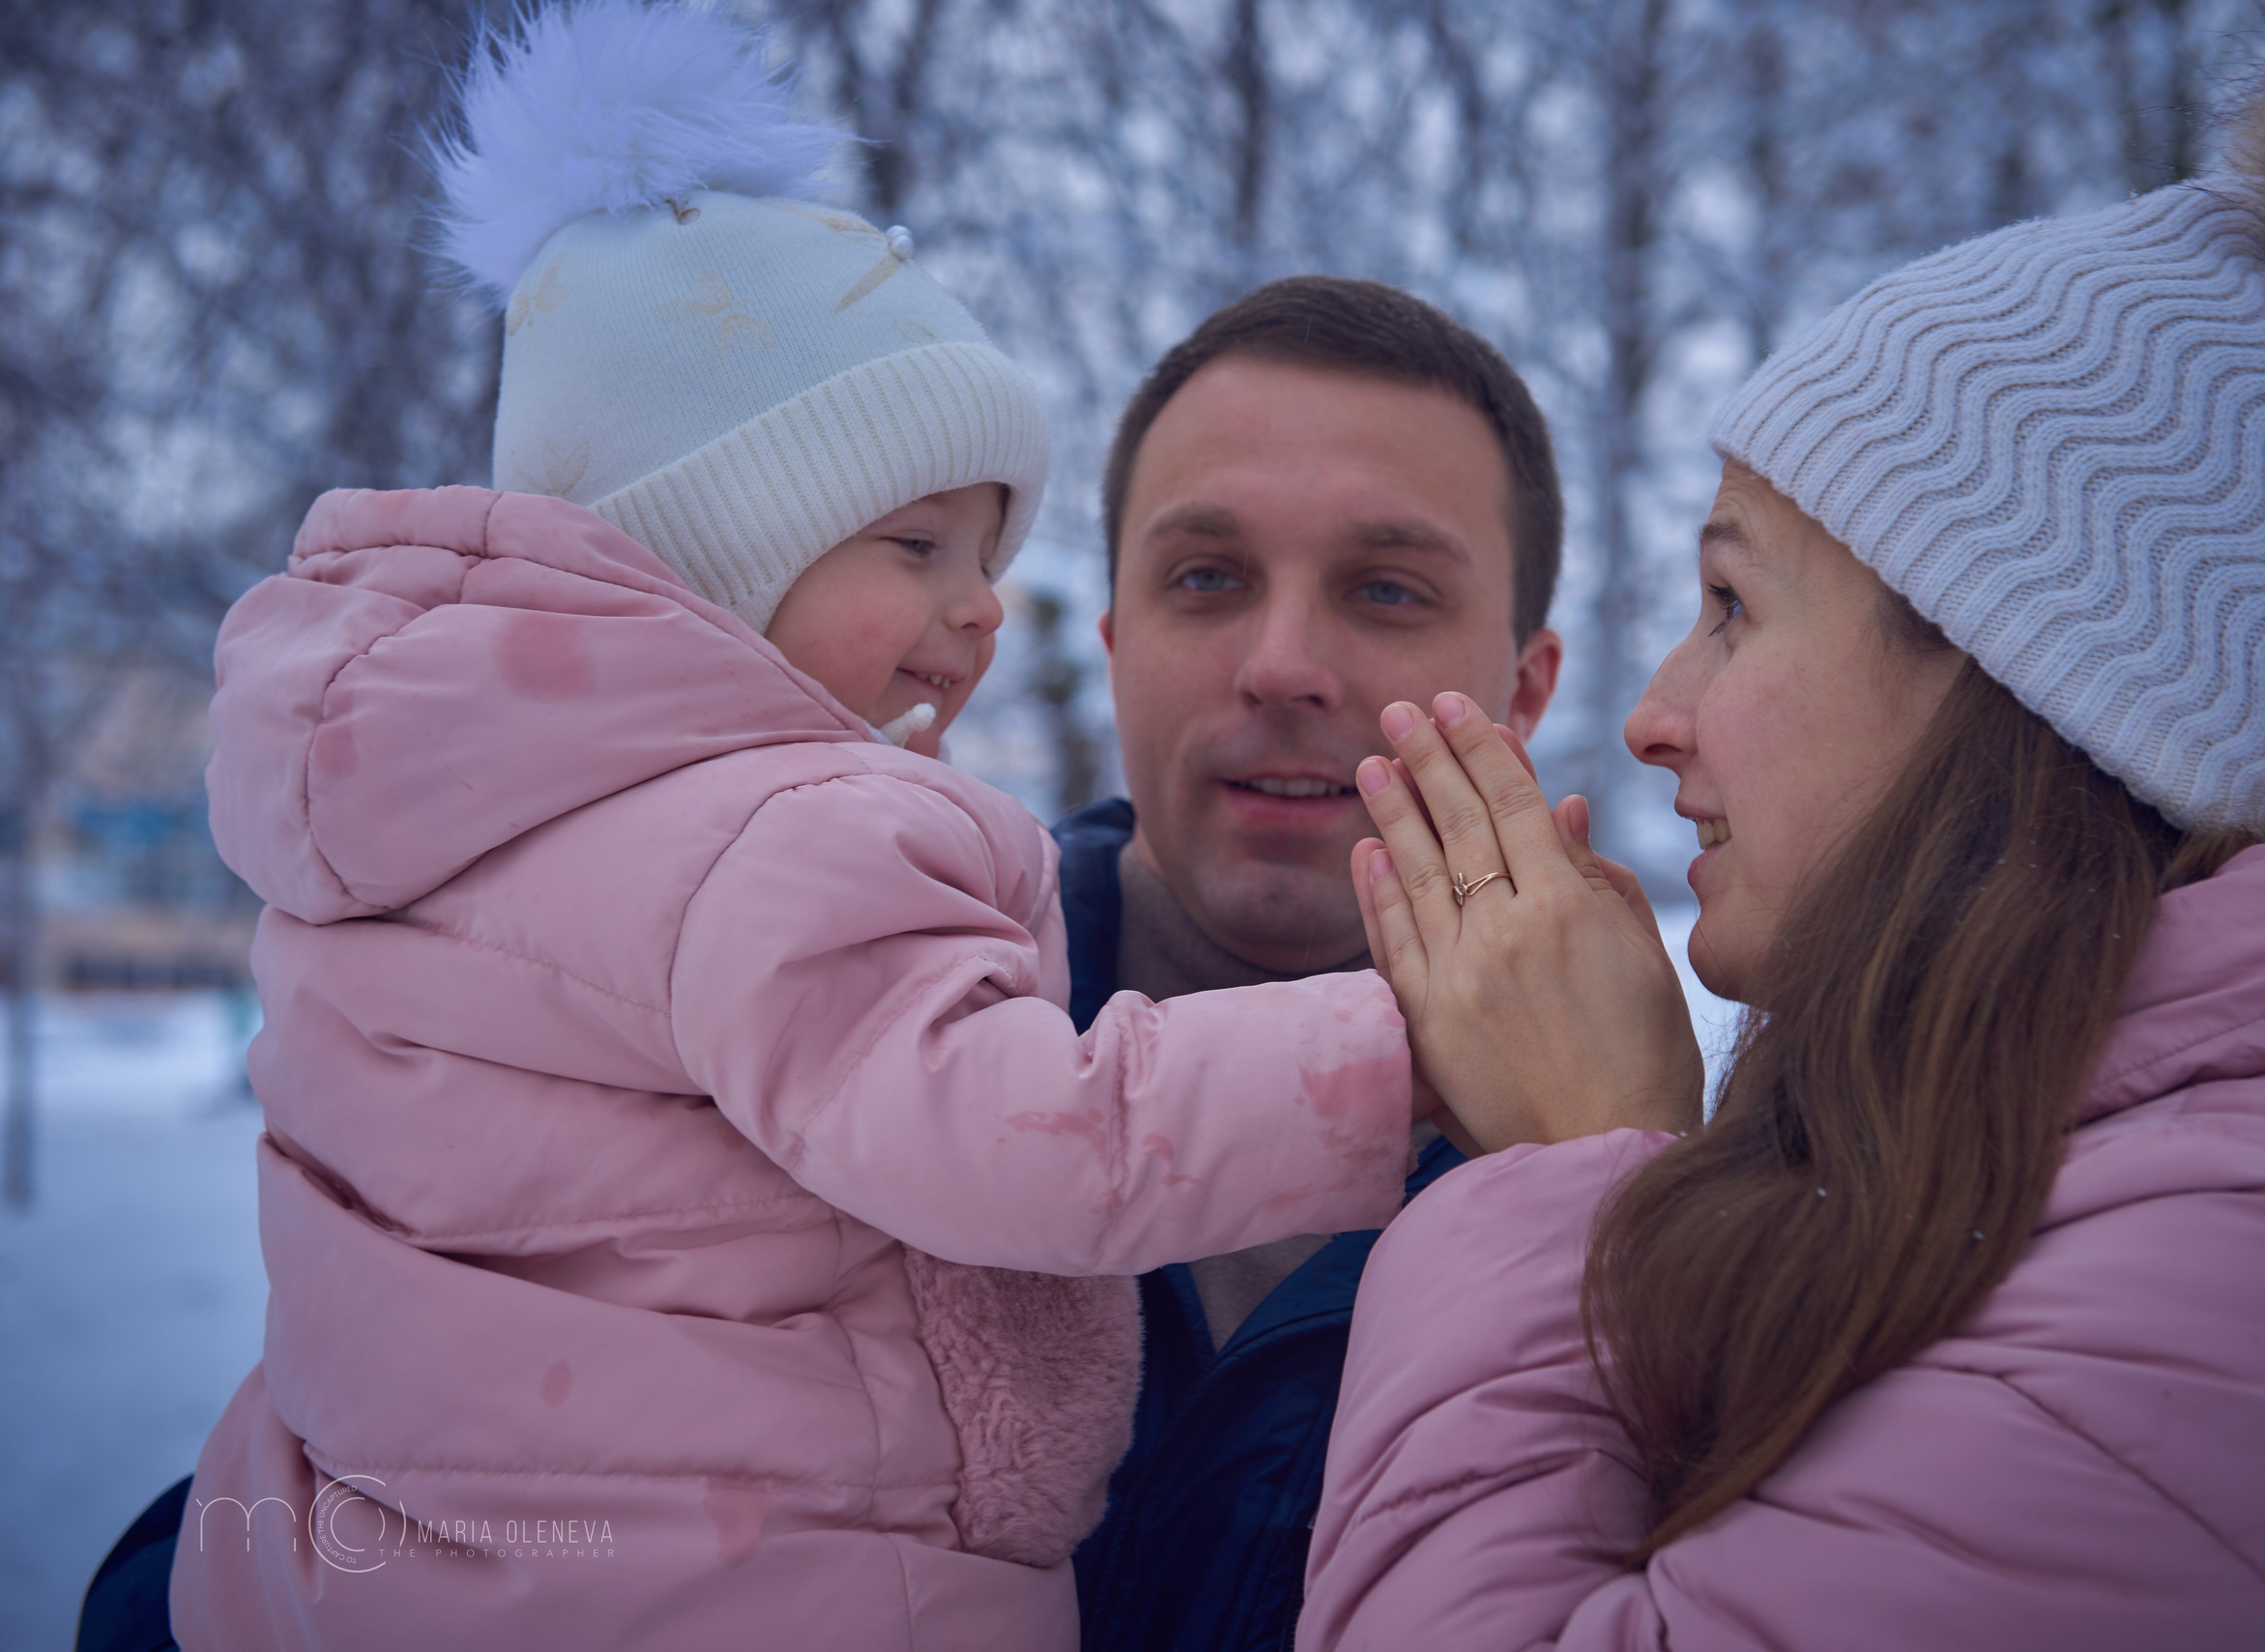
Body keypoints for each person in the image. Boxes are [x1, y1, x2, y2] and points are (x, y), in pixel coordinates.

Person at [147, 8, 1423, 1650]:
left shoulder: (397, 816)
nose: (977, 607)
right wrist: (1399, 1057)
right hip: (772, 1580)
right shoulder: (785, 828)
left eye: (990, 549)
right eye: (914, 543)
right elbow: (1009, 1133)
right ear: (708, 547)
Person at [1304, 37, 2265, 1651]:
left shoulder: (2264, 1286)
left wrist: (1577, 1173)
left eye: (1734, 605)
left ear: (2015, 681)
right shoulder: (2047, 1142)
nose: (1653, 713)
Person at [1060, 275, 1565, 1652]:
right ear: (1116, 645)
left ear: (1526, 691)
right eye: (1206, 578)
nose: (1282, 665)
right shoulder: (828, 1043)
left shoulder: (1626, 1200)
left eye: (1386, 589)